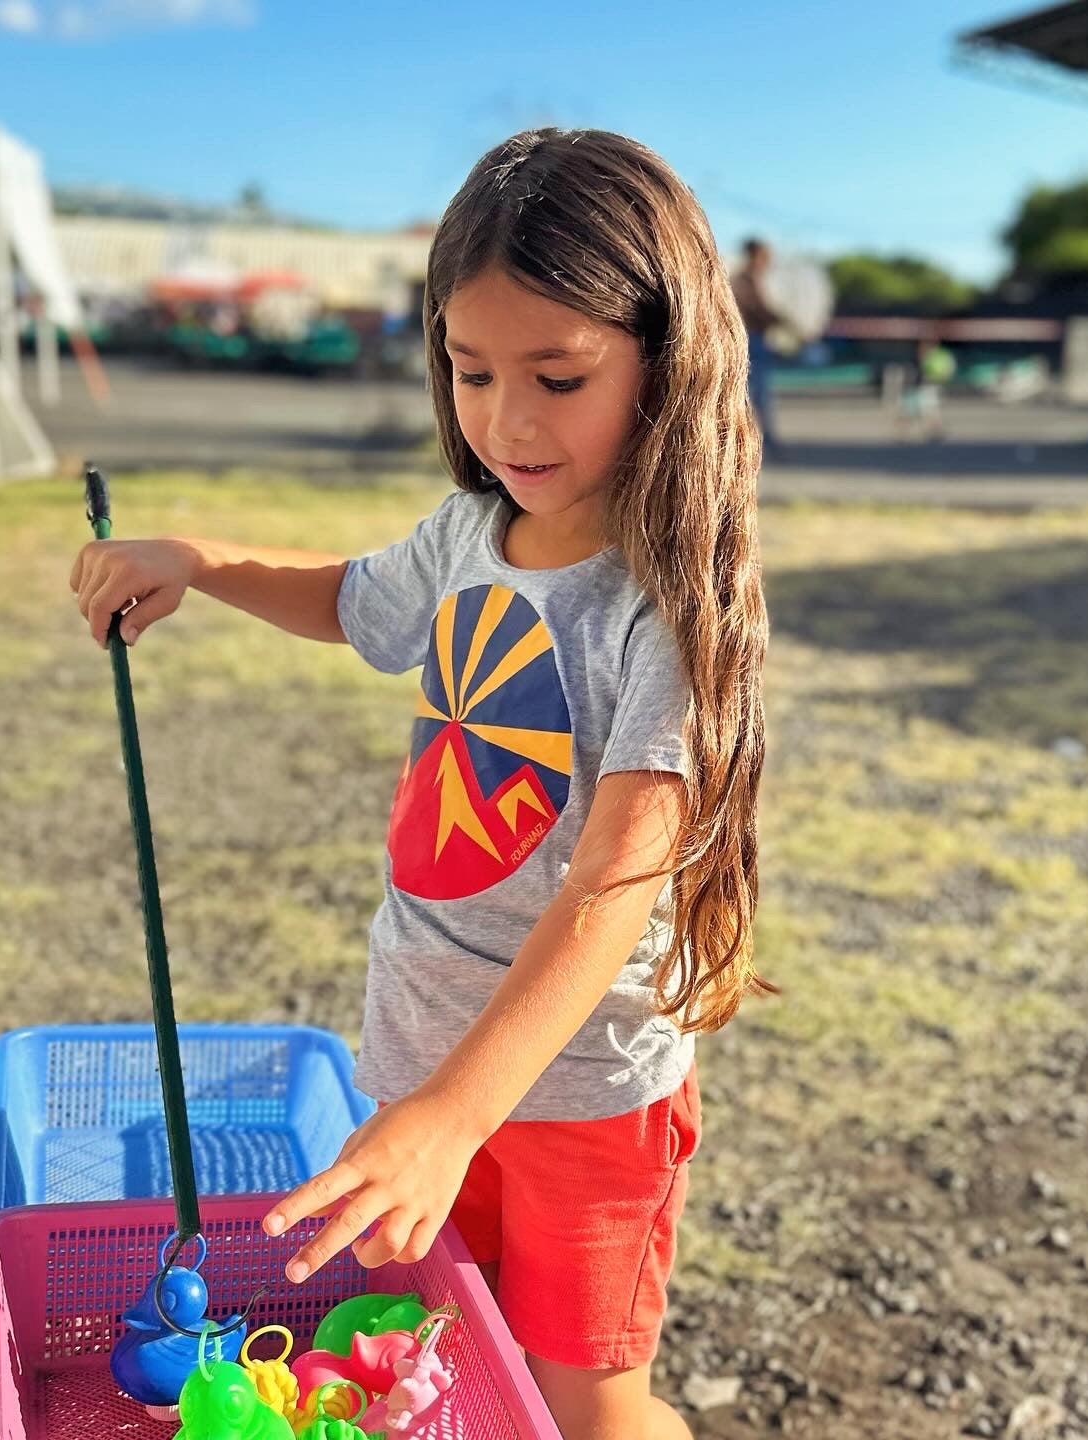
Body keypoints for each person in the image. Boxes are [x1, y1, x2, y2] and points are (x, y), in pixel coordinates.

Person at [69, 128, 771, 1440]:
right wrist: (202, 559)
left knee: (586, 1395)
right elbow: (353, 600)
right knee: (429, 1348)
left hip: (577, 1091)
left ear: (666, 364)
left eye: (560, 376)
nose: (508, 419)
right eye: (470, 369)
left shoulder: (661, 610)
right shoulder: (469, 532)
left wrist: (462, 1111)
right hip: (417, 1039)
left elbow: (616, 882)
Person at [731, 237, 787, 462]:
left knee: (758, 396)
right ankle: (762, 444)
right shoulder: (741, 282)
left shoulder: (753, 281)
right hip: (750, 342)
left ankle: (765, 443)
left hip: (757, 342)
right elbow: (756, 310)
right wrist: (779, 319)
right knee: (753, 395)